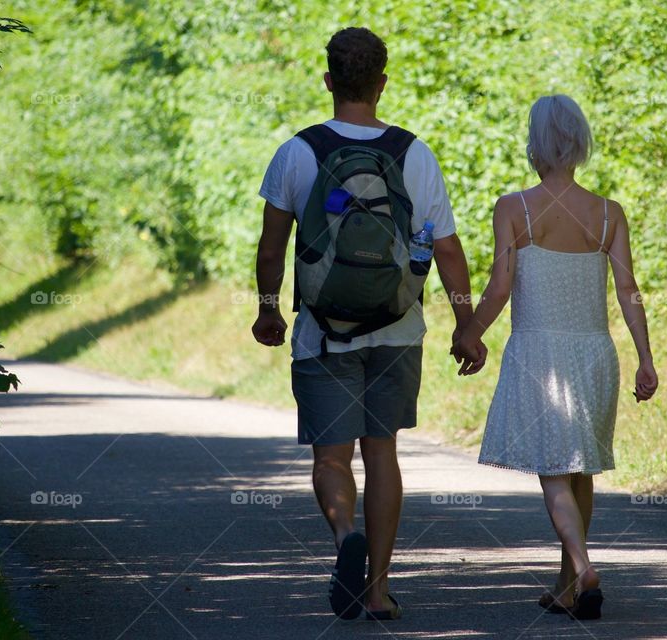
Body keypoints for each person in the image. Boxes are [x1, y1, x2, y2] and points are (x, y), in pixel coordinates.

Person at [253, 26, 485, 620]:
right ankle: (378, 589)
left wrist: (269, 309)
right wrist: (467, 324)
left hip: (322, 331)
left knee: (332, 460)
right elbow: (449, 249)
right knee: (382, 454)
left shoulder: (298, 151)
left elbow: (272, 245)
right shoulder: (414, 153)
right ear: (382, 83)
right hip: (398, 329)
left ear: (328, 80)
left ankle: (342, 540)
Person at [454, 94, 659, 620]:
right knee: (580, 468)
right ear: (579, 141)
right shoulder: (609, 213)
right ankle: (567, 586)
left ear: (535, 143)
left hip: (539, 353)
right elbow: (628, 289)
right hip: (595, 353)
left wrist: (470, 333)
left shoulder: (514, 207)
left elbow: (500, 287)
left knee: (553, 468)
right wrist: (645, 358)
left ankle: (586, 568)